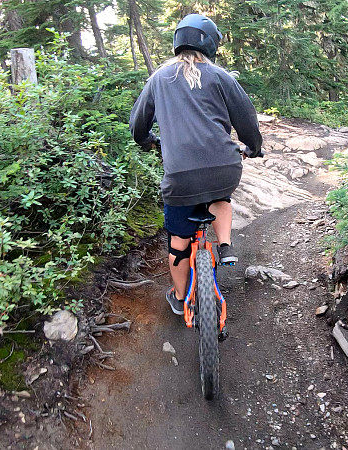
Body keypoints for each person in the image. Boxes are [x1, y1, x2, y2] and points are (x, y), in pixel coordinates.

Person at [129, 13, 263, 315]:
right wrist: (253, 148)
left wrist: (149, 142)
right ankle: (225, 245)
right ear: (210, 44)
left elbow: (138, 124)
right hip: (225, 168)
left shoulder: (159, 79)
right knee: (220, 195)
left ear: (178, 42)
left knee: (178, 240)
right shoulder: (221, 76)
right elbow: (247, 120)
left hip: (180, 177)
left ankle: (180, 297)